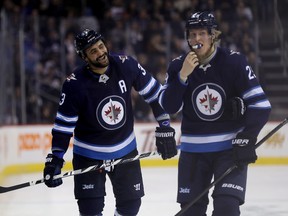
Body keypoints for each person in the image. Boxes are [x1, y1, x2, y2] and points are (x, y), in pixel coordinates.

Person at [43, 28, 177, 216]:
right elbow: (63, 126)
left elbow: (156, 95)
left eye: (100, 46)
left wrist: (165, 126)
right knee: (90, 211)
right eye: (93, 51)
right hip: (89, 154)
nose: (100, 53)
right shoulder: (74, 84)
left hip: (125, 150)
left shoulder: (126, 65)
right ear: (84, 57)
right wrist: (55, 158)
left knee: (131, 206)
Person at [158, 11, 271, 216]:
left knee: (227, 208)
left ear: (213, 35)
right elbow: (168, 107)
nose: (196, 39)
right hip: (193, 153)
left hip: (229, 151)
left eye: (202, 33)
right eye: (192, 34)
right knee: (191, 211)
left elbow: (261, 105)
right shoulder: (177, 66)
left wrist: (247, 136)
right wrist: (182, 76)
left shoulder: (234, 62)